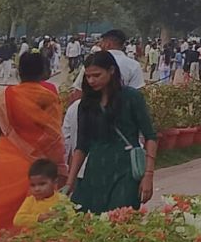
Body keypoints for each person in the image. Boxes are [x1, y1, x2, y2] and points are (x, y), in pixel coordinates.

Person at [0, 52, 65, 242]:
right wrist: (59, 166)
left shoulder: (1, 98)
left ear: (19, 71)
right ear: (44, 71)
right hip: (35, 165)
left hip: (3, 162)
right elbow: (54, 136)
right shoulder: (48, 97)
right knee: (30, 216)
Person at [66, 51, 157, 215]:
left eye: (97, 75)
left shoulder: (131, 97)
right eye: (88, 76)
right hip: (95, 170)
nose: (91, 81)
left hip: (126, 170)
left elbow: (150, 137)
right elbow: (81, 146)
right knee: (86, 220)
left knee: (119, 219)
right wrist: (70, 182)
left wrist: (148, 175)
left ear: (112, 71)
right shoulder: (86, 104)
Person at [12, 158, 71, 228]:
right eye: (33, 185)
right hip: (32, 234)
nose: (37, 189)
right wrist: (39, 218)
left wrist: (61, 217)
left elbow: (72, 218)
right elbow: (17, 220)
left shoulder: (61, 199)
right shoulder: (30, 200)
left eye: (42, 184)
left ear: (55, 182)